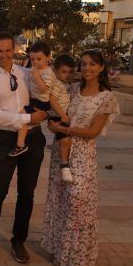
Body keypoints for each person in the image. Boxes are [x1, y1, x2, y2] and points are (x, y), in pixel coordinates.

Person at [42, 50, 120, 266]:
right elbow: (52, 101)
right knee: (61, 200)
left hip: (83, 155)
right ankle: (59, 251)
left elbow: (93, 132)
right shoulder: (72, 89)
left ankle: (77, 256)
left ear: (102, 67)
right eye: (84, 64)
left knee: (79, 203)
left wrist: (63, 129)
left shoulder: (106, 98)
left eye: (93, 64)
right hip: (62, 152)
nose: (87, 68)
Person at [0, 32, 48, 262]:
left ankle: (19, 241)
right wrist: (29, 119)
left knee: (26, 192)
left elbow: (46, 91)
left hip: (34, 139)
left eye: (8, 50)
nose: (4, 55)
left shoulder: (27, 73)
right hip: (7, 139)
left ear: (14, 49)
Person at [11, 41, 55, 157]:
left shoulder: (48, 72)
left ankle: (20, 145)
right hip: (34, 100)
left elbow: (43, 89)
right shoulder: (35, 69)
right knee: (23, 118)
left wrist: (36, 77)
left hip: (41, 103)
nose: (35, 62)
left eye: (39, 59)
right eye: (32, 59)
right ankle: (21, 143)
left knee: (22, 119)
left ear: (48, 57)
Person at [48, 54, 76, 183]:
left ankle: (65, 162)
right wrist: (63, 115)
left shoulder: (67, 85)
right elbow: (52, 100)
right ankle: (64, 166)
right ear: (55, 71)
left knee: (66, 140)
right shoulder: (57, 84)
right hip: (57, 117)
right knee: (64, 140)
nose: (68, 75)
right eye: (64, 72)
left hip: (63, 117)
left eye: (70, 72)